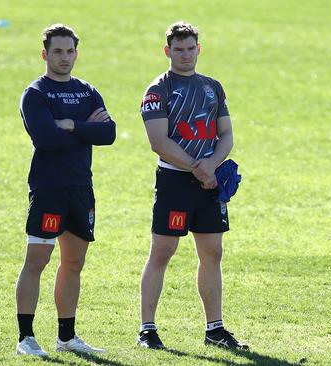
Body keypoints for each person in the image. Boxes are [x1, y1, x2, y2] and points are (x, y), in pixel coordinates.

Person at [137, 21, 247, 350]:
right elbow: (159, 141)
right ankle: (147, 329)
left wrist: (211, 166)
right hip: (175, 181)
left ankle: (215, 329)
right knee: (163, 252)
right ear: (167, 51)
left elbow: (226, 134)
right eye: (178, 49)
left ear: (199, 48)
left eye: (190, 48)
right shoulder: (158, 90)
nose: (185, 55)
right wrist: (198, 169)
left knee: (212, 252)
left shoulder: (213, 86)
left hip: (209, 179)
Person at [15, 24, 116, 356]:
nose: (64, 57)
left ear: (76, 52)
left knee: (74, 262)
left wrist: (72, 125)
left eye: (69, 51)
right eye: (57, 51)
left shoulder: (87, 91)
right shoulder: (36, 93)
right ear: (45, 54)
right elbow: (46, 138)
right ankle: (26, 338)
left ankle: (66, 337)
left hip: (80, 188)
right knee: (38, 259)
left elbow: (109, 133)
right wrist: (88, 129)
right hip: (48, 188)